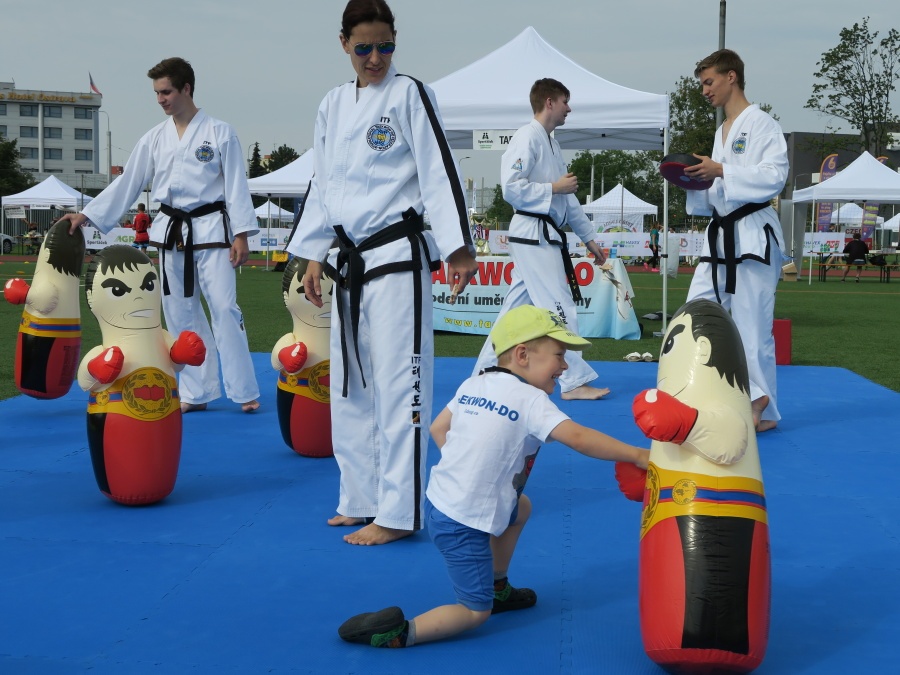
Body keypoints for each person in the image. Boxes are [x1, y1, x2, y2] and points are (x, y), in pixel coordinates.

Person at [337, 304, 650, 648]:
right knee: (474, 611)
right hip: (463, 522)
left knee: (522, 507)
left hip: (441, 502)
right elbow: (576, 437)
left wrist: (466, 469)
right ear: (522, 355)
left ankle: (497, 585)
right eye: (559, 356)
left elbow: (439, 427)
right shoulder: (530, 399)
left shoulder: (476, 382)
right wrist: (638, 455)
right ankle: (400, 634)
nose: (564, 366)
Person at [287, 0, 478, 546]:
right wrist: (314, 252)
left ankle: (398, 511)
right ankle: (359, 498)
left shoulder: (409, 94)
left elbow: (439, 169)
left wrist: (458, 248)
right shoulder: (332, 104)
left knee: (400, 385)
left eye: (386, 46)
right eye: (364, 47)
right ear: (343, 43)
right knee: (350, 385)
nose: (375, 58)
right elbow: (323, 184)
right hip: (350, 260)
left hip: (397, 256)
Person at [58, 57, 261, 415]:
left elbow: (236, 185)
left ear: (186, 88)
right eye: (156, 93)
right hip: (171, 233)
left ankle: (244, 389)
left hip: (212, 230)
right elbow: (128, 182)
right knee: (179, 312)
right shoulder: (154, 138)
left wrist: (241, 234)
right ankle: (196, 391)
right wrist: (88, 214)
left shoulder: (220, 132)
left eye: (166, 92)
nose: (160, 99)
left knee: (224, 308)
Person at [471, 78, 610, 401]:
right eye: (565, 102)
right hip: (533, 233)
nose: (568, 108)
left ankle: (484, 373)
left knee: (513, 312)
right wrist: (553, 188)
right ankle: (573, 381)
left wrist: (590, 240)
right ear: (549, 102)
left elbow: (568, 200)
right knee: (559, 306)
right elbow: (511, 188)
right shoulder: (526, 137)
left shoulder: (552, 144)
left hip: (542, 234)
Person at [681, 49, 788, 433]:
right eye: (702, 84)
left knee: (752, 326)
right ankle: (708, 392)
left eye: (709, 82)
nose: (705, 90)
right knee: (695, 314)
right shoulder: (721, 130)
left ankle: (760, 406)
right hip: (722, 235)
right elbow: (718, 189)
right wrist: (693, 180)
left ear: (731, 77)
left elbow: (774, 176)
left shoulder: (762, 124)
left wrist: (722, 169)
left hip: (753, 236)